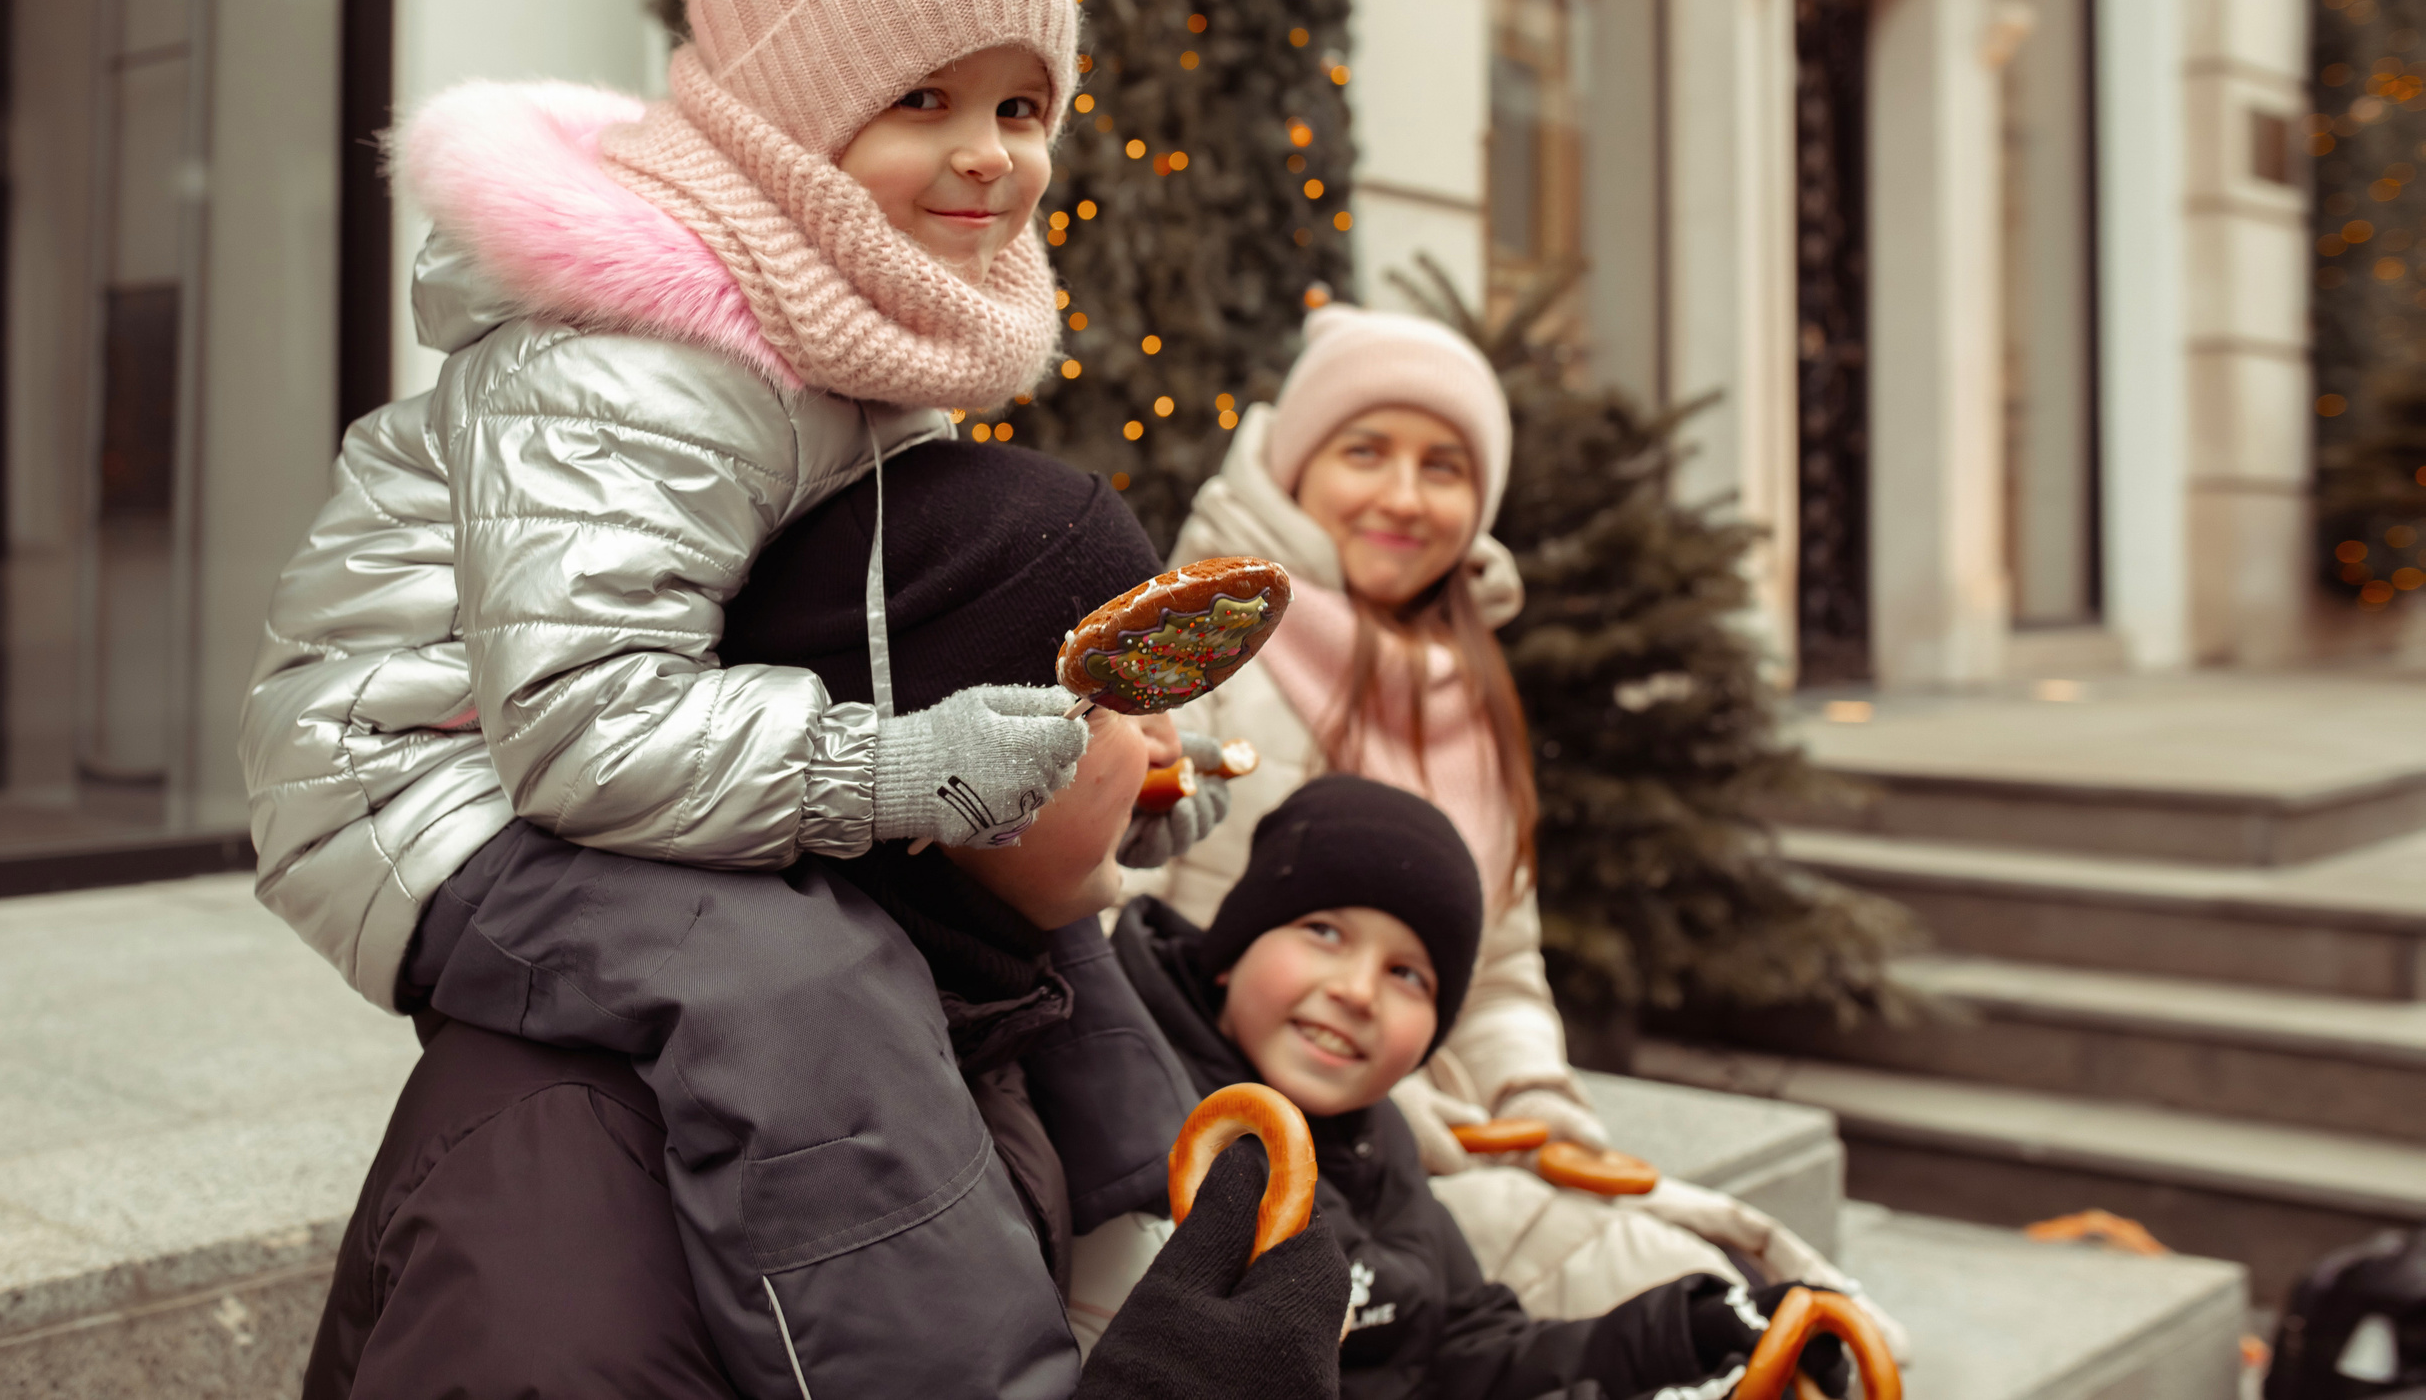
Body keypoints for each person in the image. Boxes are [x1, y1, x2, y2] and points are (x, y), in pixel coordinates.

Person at [244, 0, 1218, 1399]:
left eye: (1019, 103)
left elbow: (859, 605)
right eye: (922, 99)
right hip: (434, 778)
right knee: (794, 977)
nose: (990, 156)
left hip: (617, 730)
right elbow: (573, 720)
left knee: (1067, 953)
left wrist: (1079, 780)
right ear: (793, 101)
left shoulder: (848, 297)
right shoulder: (652, 343)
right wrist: (907, 765)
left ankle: (1196, 1271)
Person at [305, 441, 1349, 1400]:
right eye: (1119, 696)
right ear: (946, 762)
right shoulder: (564, 1155)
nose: (1170, 746)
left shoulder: (987, 1027)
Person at [1138, 303, 1896, 1333]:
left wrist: (1537, 1098)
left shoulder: (1467, 691)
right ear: (1291, 467)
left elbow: (1496, 964)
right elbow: (1115, 924)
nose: (1403, 497)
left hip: (1428, 1123)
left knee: (1741, 1305)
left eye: (1443, 467)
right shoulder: (1191, 645)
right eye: (1366, 452)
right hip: (1250, 1120)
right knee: (1684, 1305)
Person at [1107, 775, 1852, 1400]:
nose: (1359, 991)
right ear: (1233, 949)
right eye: (1324, 931)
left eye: (1408, 974)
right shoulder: (1150, 1110)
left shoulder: (1380, 1133)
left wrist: (1690, 1331)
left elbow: (1467, 1345)